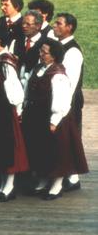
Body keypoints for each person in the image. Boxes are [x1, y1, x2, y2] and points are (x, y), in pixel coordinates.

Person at [23, 38, 88, 200]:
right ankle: (43, 180)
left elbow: (62, 101)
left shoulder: (58, 74)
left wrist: (54, 121)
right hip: (37, 117)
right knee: (41, 151)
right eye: (41, 51)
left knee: (57, 153)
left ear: (54, 56)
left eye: (44, 52)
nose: (41, 54)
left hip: (55, 120)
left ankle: (57, 185)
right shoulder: (39, 69)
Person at [0, 24, 29, 202]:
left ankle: (9, 186)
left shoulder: (5, 61)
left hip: (4, 109)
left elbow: (13, 87)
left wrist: (16, 109)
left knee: (8, 148)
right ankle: (3, 183)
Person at [52, 13, 85, 191]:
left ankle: (71, 177)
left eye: (58, 23)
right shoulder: (59, 46)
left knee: (68, 137)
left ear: (69, 27)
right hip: (61, 99)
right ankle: (70, 177)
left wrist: (63, 107)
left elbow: (70, 82)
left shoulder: (72, 51)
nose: (54, 26)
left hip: (68, 100)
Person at [9, 10, 45, 86]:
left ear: (38, 26)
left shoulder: (45, 45)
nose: (24, 26)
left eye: (28, 24)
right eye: (23, 23)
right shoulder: (16, 42)